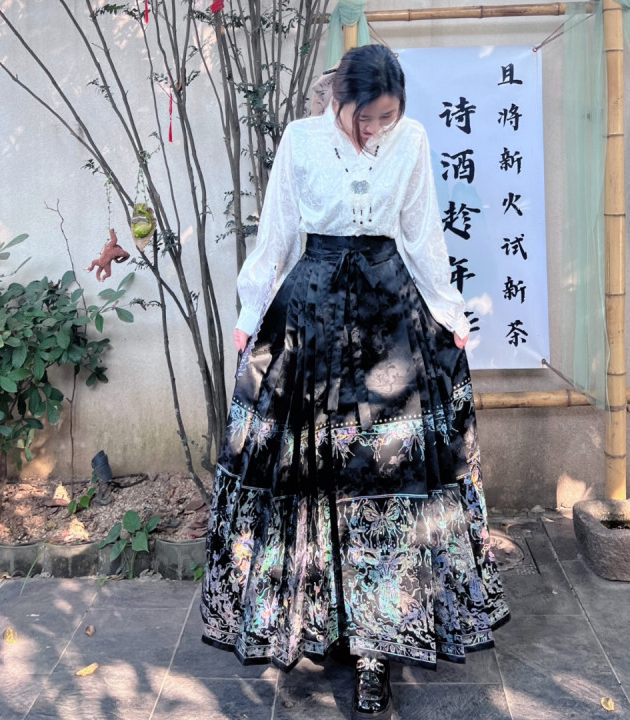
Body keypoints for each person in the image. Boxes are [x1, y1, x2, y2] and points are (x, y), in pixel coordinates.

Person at [201, 44, 510, 720]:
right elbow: (278, 233)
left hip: (388, 317)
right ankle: (322, 621)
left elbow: (422, 233)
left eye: (386, 117)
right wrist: (250, 315)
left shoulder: (413, 140)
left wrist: (449, 313)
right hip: (312, 315)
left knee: (384, 477)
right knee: (315, 474)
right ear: (338, 101)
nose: (375, 129)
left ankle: (377, 649)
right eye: (364, 117)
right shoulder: (301, 140)